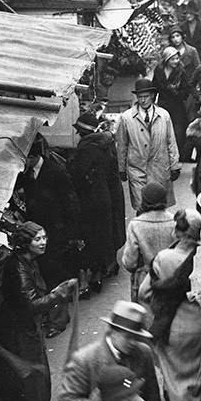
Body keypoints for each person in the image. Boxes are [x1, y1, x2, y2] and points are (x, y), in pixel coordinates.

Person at [141, 209, 201, 401]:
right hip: (199, 323)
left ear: (178, 231)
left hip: (172, 326)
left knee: (175, 380)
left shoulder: (163, 258)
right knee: (198, 376)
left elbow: (144, 291)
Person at [0, 223, 75, 401]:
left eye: (44, 237)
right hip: (18, 330)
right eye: (38, 239)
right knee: (27, 375)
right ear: (26, 243)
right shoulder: (19, 269)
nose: (43, 242)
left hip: (15, 325)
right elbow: (31, 304)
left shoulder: (26, 262)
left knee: (14, 373)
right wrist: (59, 294)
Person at [58, 299, 167, 401]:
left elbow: (153, 398)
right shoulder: (85, 360)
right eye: (127, 337)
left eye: (136, 337)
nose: (132, 342)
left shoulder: (144, 353)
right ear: (112, 331)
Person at [14, 134, 81, 333]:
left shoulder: (56, 172)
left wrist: (71, 235)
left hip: (56, 234)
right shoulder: (28, 174)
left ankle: (58, 322)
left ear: (33, 157)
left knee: (55, 277)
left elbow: (71, 204)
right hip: (39, 234)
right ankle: (51, 316)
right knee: (44, 276)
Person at [69, 111, 122, 297]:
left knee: (88, 240)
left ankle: (91, 279)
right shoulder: (107, 144)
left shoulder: (87, 148)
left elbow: (77, 175)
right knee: (102, 236)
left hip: (89, 201)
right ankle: (101, 272)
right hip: (105, 197)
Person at [115, 78, 181, 210]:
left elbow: (171, 142)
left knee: (159, 207)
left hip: (159, 168)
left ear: (152, 96)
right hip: (137, 170)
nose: (143, 100)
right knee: (142, 207)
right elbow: (122, 145)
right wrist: (121, 169)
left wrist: (174, 165)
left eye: (146, 96)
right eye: (140, 97)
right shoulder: (127, 118)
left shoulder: (164, 116)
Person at [118, 182, 178, 302]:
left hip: (145, 281)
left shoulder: (136, 225)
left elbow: (129, 262)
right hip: (170, 279)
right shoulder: (175, 222)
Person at [152, 46, 192, 157]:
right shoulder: (159, 70)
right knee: (162, 130)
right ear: (166, 60)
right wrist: (152, 101)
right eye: (172, 59)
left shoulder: (181, 72)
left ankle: (177, 154)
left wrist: (176, 92)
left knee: (178, 131)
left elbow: (186, 90)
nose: (176, 61)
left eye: (177, 58)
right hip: (163, 104)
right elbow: (154, 86)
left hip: (177, 105)